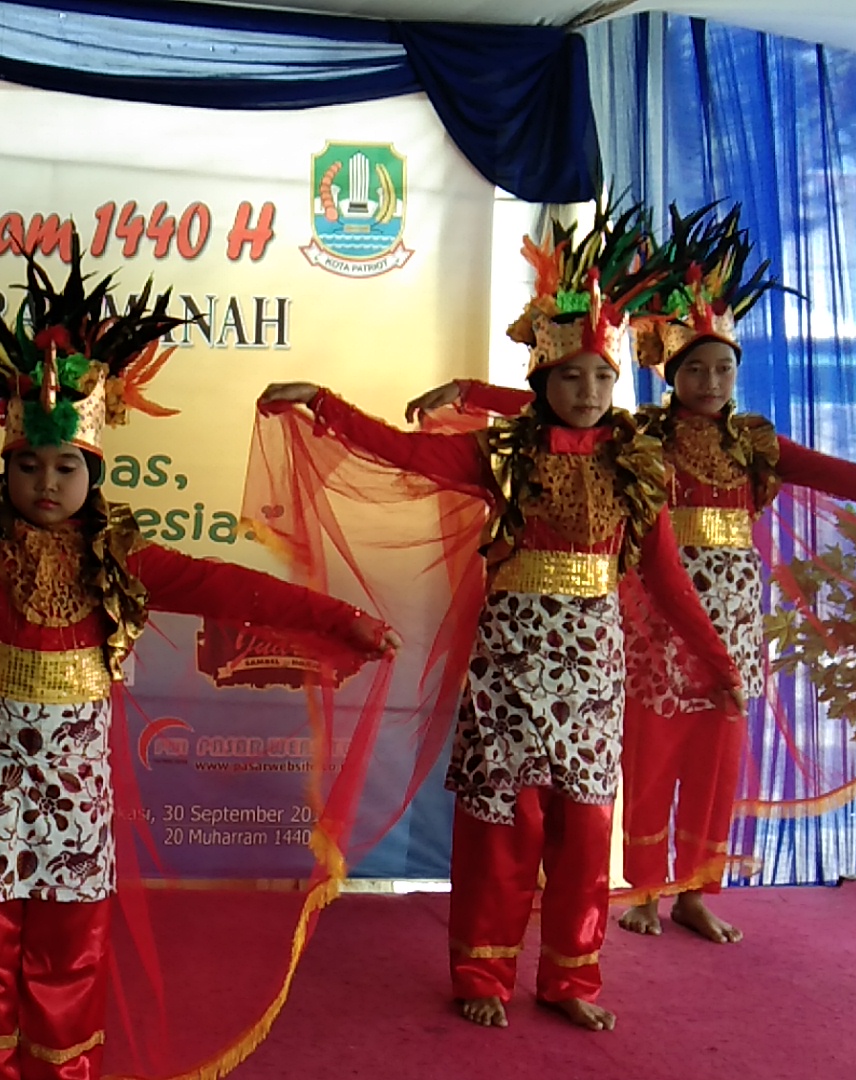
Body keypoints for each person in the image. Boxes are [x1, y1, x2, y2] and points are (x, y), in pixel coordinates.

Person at [0, 248, 398, 1078]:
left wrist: (345, 621)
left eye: (66, 466)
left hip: (73, 791)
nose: (47, 481)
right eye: (29, 464)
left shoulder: (120, 559)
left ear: (94, 472)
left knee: (70, 935)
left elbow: (230, 587)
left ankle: (63, 1070)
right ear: (6, 465)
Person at [258, 207, 744, 1031]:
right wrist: (326, 405)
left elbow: (665, 577)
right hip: (513, 660)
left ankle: (571, 977)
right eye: (571, 378)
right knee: (502, 819)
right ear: (542, 383)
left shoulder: (636, 465)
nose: (587, 393)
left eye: (601, 379)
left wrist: (720, 663)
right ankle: (482, 969)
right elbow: (406, 452)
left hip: (593, 668)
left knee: (585, 824)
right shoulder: (505, 454)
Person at [400, 204, 856, 944]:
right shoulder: (642, 438)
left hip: (730, 617)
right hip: (649, 615)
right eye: (694, 368)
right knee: (650, 752)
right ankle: (643, 889)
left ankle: (695, 891)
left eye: (723, 367)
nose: (710, 379)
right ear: (669, 374)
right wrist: (471, 393)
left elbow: (845, 477)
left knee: (716, 757)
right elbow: (560, 410)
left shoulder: (755, 443)